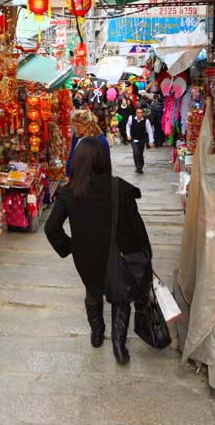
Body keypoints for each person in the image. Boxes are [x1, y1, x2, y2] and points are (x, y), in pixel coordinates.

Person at [45, 137, 151, 365]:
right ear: (103, 159)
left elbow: (51, 227)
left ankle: (96, 333)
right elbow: (136, 227)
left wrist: (69, 246)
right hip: (118, 255)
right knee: (120, 296)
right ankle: (119, 345)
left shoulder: (69, 192)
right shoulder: (119, 188)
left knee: (93, 290)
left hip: (86, 256)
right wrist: (144, 255)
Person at [66, 108, 110, 176]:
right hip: (77, 178)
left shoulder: (101, 141)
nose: (75, 129)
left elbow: (106, 164)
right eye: (74, 126)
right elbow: (72, 154)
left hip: (94, 180)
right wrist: (68, 173)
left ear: (87, 125)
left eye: (78, 126)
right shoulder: (76, 137)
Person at [125, 106, 155, 174]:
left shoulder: (146, 121)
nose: (139, 114)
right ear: (136, 113)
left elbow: (150, 131)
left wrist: (151, 141)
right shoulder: (131, 118)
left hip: (141, 139)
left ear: (143, 114)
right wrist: (128, 134)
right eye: (138, 113)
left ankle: (140, 166)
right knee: (136, 152)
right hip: (133, 139)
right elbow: (128, 126)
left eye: (141, 113)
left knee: (140, 153)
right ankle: (138, 167)